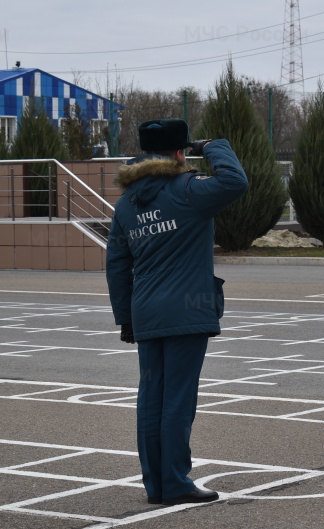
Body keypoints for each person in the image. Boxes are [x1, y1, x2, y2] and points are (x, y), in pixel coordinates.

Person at [106, 118, 248, 505]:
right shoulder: (187, 189)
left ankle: (156, 483)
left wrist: (126, 317)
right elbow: (235, 182)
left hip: (146, 312)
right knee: (178, 400)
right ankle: (176, 481)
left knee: (151, 397)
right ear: (180, 152)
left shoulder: (126, 202)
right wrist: (215, 143)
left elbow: (117, 264)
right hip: (186, 312)